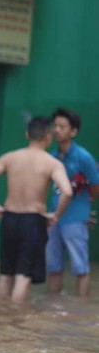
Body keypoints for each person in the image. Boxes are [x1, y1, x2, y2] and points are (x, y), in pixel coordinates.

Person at [0, 116, 72, 304]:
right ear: (48, 137)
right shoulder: (51, 163)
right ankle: (17, 321)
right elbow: (67, 192)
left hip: (10, 218)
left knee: (5, 274)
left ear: (27, 134)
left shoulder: (10, 158)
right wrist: (56, 216)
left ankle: (1, 316)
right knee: (23, 274)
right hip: (33, 221)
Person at [46, 108, 99, 298]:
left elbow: (95, 186)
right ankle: (52, 305)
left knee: (80, 267)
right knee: (53, 266)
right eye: (55, 126)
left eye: (62, 126)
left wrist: (85, 206)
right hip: (53, 218)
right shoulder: (51, 157)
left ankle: (81, 309)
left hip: (75, 219)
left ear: (73, 132)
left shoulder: (84, 157)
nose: (57, 130)